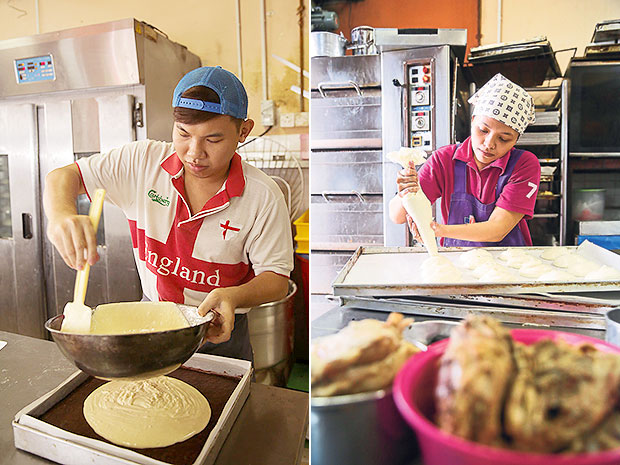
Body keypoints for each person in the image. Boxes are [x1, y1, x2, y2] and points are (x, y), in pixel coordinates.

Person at [43, 66, 293, 361]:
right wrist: (60, 214)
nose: (194, 153)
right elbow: (63, 177)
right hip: (150, 322)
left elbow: (276, 278)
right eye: (183, 134)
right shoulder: (142, 163)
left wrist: (233, 296)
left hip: (219, 332)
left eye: (213, 139)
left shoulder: (262, 196)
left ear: (243, 131)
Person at [389, 73, 541, 247]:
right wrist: (406, 192)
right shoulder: (443, 160)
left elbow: (498, 229)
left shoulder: (524, 165)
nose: (489, 144)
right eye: (483, 130)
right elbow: (397, 216)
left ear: (516, 140)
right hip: (458, 261)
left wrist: (438, 230)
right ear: (473, 120)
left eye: (504, 139)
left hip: (509, 262)